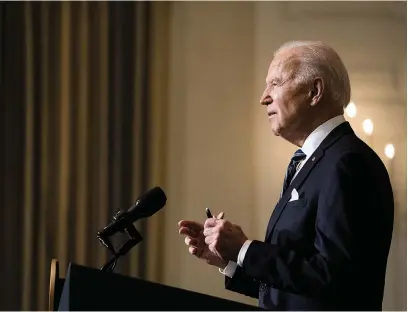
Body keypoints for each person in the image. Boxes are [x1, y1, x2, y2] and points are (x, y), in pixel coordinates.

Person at [178, 40, 394, 311]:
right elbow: (295, 291)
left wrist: (246, 249)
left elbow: (335, 278)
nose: (263, 97)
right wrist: (231, 259)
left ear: (314, 91)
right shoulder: (313, 161)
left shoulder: (347, 161)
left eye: (275, 83)